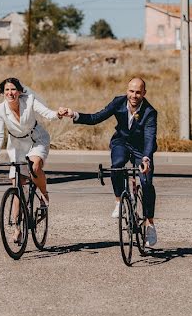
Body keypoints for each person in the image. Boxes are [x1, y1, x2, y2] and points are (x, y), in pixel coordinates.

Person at [59, 77, 158, 246]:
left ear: (144, 93)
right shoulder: (118, 102)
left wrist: (146, 158)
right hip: (121, 142)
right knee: (116, 166)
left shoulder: (150, 112)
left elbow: (150, 137)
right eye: (131, 91)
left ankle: (150, 224)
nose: (134, 95)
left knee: (146, 181)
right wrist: (73, 114)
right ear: (127, 91)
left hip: (141, 148)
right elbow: (96, 117)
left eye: (138, 92)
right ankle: (119, 201)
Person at [0, 77, 60, 213]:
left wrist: (58, 113)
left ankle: (44, 194)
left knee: (34, 167)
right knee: (18, 185)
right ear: (3, 92)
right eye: (7, 90)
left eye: (13, 89)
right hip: (17, 145)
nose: (10, 93)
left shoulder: (29, 101)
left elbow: (47, 113)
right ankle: (17, 228)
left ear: (20, 92)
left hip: (36, 139)